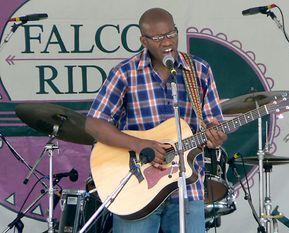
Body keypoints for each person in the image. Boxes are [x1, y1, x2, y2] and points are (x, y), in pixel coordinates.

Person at [85, 7, 227, 233]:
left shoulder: (198, 70)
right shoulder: (125, 72)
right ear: (144, 40)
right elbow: (94, 124)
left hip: (186, 188)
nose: (167, 42)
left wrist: (215, 135)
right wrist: (140, 145)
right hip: (137, 187)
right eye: (159, 37)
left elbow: (213, 123)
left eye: (171, 34)